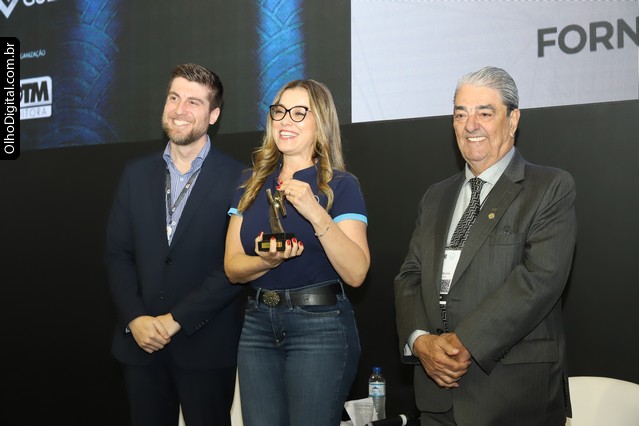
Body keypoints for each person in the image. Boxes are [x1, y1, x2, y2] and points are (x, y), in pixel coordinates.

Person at [394, 66, 577, 426]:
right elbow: (410, 275)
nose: (470, 125)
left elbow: (540, 279)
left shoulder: (549, 188)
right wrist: (420, 341)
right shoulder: (436, 196)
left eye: (485, 113)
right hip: (436, 397)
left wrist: (463, 343)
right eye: (460, 114)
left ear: (513, 120)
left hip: (513, 396)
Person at [105, 63, 246, 426]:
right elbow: (118, 254)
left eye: (193, 102)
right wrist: (135, 318)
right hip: (140, 345)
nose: (179, 109)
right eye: (173, 97)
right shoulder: (135, 174)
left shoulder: (241, 179)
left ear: (213, 115)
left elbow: (235, 266)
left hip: (206, 345)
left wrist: (176, 320)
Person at [224, 79, 370, 426]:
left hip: (320, 328)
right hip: (258, 325)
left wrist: (315, 211)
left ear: (321, 122)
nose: (285, 120)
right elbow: (231, 267)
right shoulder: (249, 183)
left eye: (299, 113)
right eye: (279, 111)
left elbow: (356, 272)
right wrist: (266, 261)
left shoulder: (340, 185)